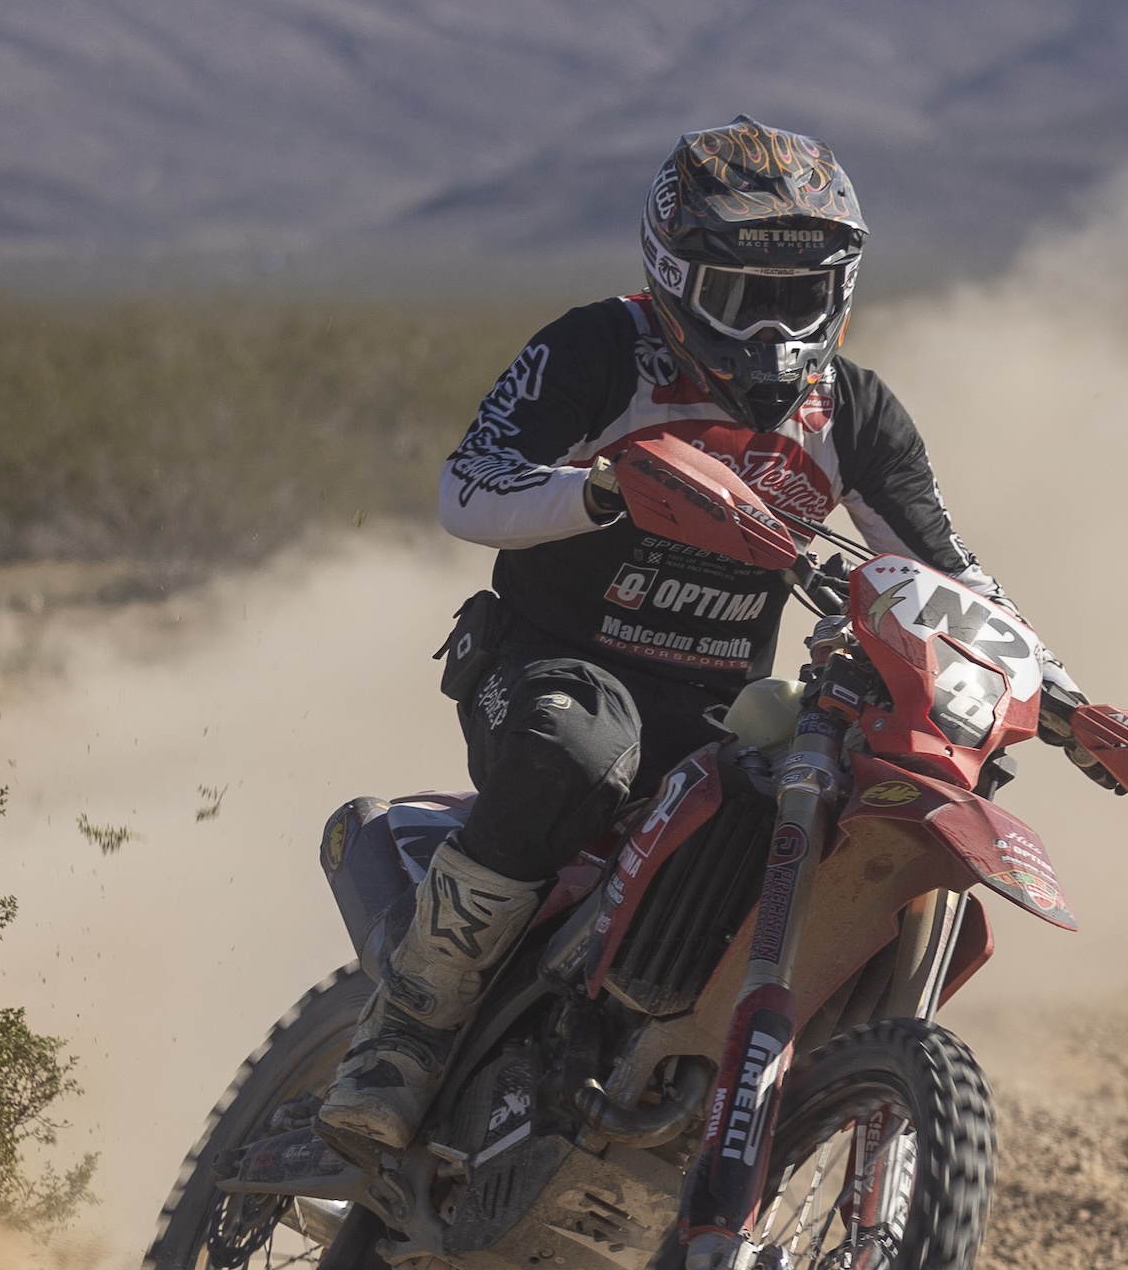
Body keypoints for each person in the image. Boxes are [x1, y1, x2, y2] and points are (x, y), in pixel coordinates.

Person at [312, 117, 1067, 1157]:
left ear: (839, 291)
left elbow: (949, 570)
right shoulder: (596, 349)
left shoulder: (851, 412)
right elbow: (469, 486)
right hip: (548, 664)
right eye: (739, 297)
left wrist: (1057, 688)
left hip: (720, 709)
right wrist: (608, 491)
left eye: (796, 299)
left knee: (831, 805)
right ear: (672, 275)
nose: (770, 330)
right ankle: (402, 1033)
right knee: (578, 752)